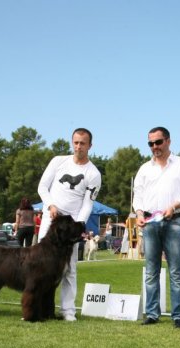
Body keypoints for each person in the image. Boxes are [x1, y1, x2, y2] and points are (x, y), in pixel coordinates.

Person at [133, 126, 180, 329]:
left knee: (176, 271)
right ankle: (152, 313)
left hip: (175, 221)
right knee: (151, 271)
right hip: (150, 223)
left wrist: (174, 205)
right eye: (151, 143)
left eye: (158, 142)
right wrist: (139, 213)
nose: (155, 147)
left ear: (168, 141)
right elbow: (138, 195)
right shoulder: (144, 168)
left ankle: (178, 315)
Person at [37, 128, 102, 322]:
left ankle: (68, 311)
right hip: (50, 220)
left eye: (83, 143)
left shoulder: (93, 174)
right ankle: (40, 308)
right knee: (42, 267)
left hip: (71, 227)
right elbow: (42, 187)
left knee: (69, 268)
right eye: (75, 142)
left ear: (90, 146)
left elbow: (88, 202)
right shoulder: (58, 161)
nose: (78, 147)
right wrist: (50, 205)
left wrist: (79, 224)